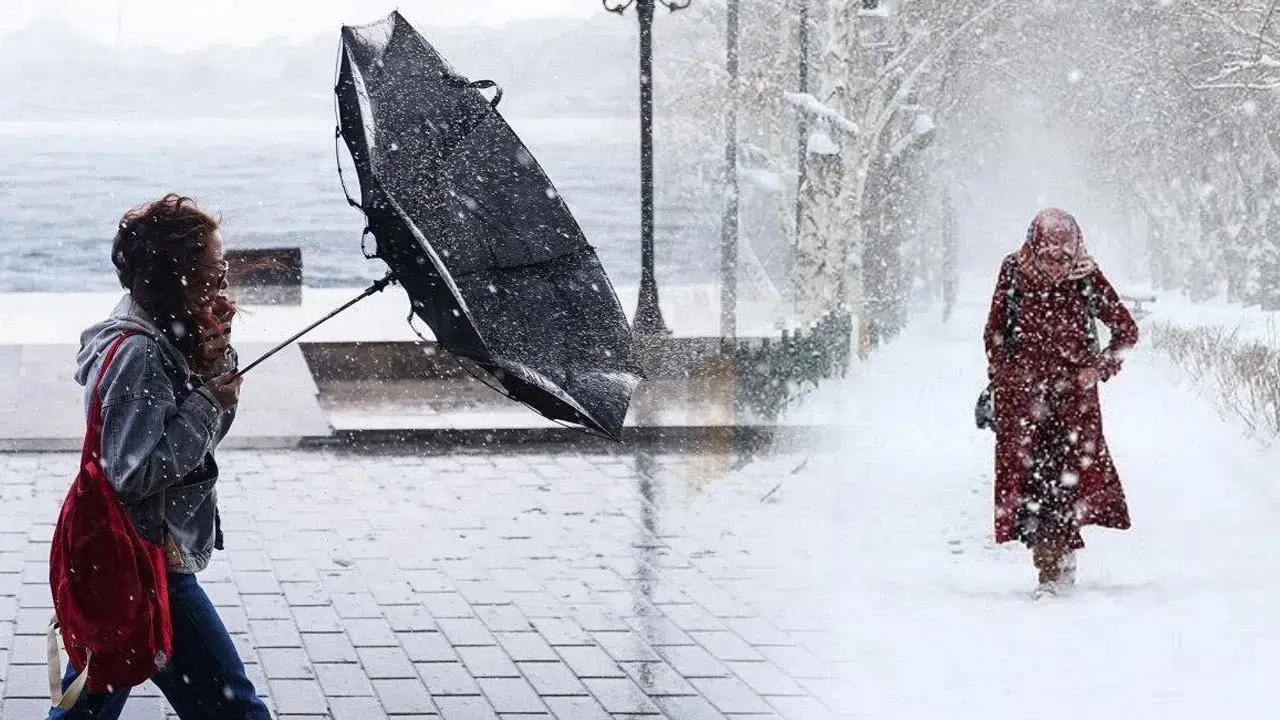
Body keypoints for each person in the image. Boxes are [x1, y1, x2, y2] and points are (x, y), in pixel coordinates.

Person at [47, 194, 270, 719]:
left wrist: (214, 359)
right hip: (147, 557)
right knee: (234, 710)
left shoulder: (164, 332)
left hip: (132, 554)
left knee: (92, 698)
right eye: (213, 270)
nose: (223, 280)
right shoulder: (140, 352)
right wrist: (209, 400)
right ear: (179, 275)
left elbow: (202, 440)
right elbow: (134, 472)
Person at [983, 207, 1139, 597]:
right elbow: (994, 332)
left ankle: (1055, 568)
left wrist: (1099, 368)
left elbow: (1126, 331)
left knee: (1064, 485)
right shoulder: (1013, 272)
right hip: (1024, 405)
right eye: (1048, 257)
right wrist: (1006, 376)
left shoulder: (1086, 277)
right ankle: (1050, 563)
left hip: (1074, 407)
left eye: (1064, 258)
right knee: (1032, 488)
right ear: (1034, 248)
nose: (1056, 267)